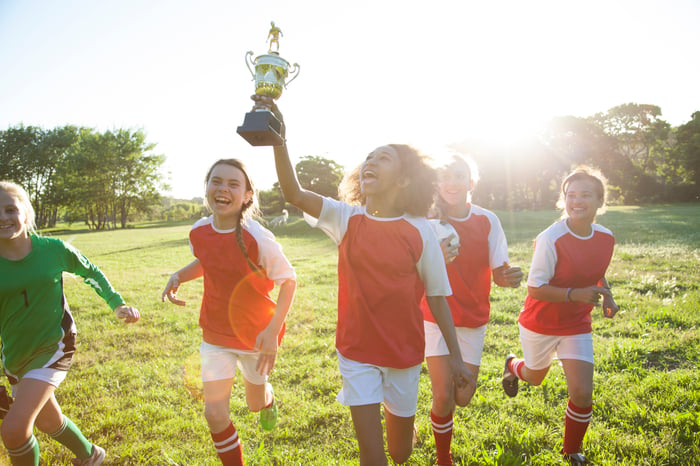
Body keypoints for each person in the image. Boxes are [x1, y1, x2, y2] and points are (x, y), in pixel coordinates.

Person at [254, 95, 475, 466]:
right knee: (373, 456)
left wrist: (456, 358)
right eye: (368, 157)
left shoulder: (420, 232)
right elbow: (293, 193)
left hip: (403, 354)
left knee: (400, 454)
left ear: (404, 179)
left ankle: (405, 427)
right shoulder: (346, 218)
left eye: (383, 157)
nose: (370, 161)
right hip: (356, 351)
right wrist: (280, 140)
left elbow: (437, 299)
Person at [161, 159, 296, 466]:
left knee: (254, 404)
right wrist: (179, 275)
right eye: (216, 181)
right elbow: (208, 262)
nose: (223, 189)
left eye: (233, 184)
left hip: (256, 337)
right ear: (207, 188)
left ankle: (268, 398)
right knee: (214, 414)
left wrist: (273, 332)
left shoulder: (258, 237)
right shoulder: (198, 232)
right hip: (216, 335)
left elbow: (289, 281)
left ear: (248, 195)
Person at [0, 180, 141, 466]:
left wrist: (117, 304)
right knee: (48, 422)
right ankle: (91, 456)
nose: (3, 217)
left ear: (25, 213)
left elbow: (91, 271)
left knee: (14, 431)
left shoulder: (52, 249)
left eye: (10, 209)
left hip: (54, 346)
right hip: (15, 354)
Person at [501, 166, 619, 465]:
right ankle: (513, 366)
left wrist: (608, 296)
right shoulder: (551, 237)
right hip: (540, 322)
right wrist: (574, 294)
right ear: (563, 199)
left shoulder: (606, 238)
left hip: (577, 323)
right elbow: (535, 287)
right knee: (535, 377)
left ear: (600, 201)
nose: (577, 201)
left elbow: (596, 271)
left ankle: (572, 449)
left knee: (582, 392)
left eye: (586, 195)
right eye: (571, 195)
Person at [421, 154, 523, 466]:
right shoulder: (424, 221)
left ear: (471, 182)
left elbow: (499, 272)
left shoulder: (487, 220)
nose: (451, 182)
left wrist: (509, 278)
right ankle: (443, 458)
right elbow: (407, 269)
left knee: (462, 398)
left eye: (459, 175)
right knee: (442, 396)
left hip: (472, 319)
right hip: (435, 317)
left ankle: (509, 365)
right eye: (444, 176)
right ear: (435, 183)